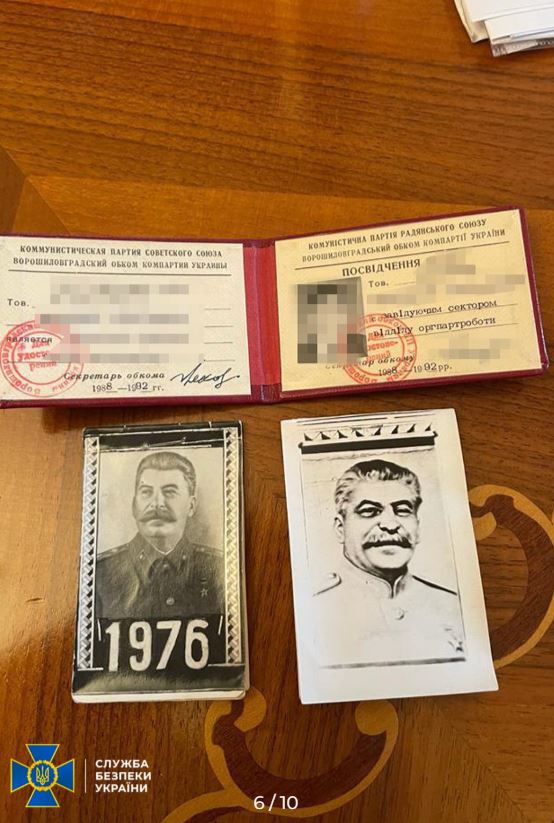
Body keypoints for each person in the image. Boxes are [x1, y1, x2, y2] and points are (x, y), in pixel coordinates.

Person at [312, 459, 465, 666]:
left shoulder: (454, 606)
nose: (391, 524)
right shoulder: (316, 609)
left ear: (418, 527)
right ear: (340, 529)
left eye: (402, 510)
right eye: (369, 511)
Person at [95, 451, 224, 619]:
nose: (156, 504)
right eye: (146, 492)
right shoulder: (99, 574)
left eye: (169, 492)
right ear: (134, 505)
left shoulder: (219, 569)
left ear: (191, 506)